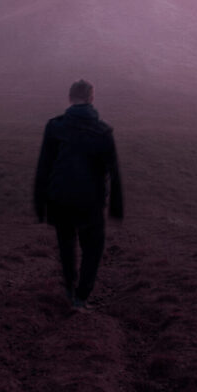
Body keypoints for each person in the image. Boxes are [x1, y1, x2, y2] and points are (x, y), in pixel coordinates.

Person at [34, 79, 123, 310]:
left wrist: (39, 202)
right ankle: (81, 296)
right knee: (93, 248)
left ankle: (69, 288)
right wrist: (115, 206)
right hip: (90, 201)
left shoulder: (55, 126)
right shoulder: (103, 131)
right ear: (91, 99)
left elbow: (44, 166)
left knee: (66, 245)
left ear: (70, 98)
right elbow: (113, 170)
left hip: (60, 197)